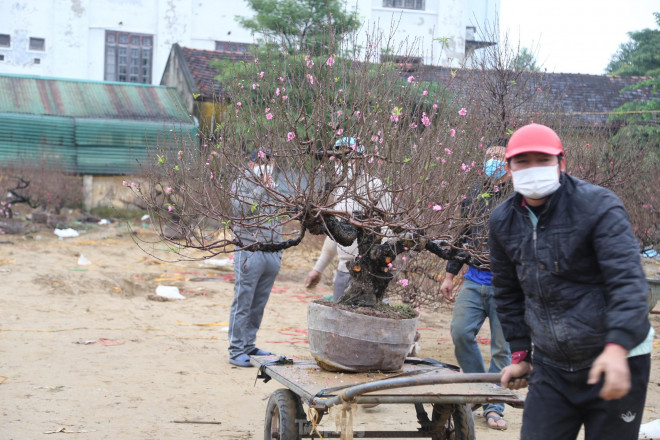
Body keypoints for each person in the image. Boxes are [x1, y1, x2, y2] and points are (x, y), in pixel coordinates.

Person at [489, 123, 652, 440]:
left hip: (615, 358)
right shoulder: (502, 220)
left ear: (562, 163)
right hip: (552, 365)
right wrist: (521, 354)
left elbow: (628, 283)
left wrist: (618, 347)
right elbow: (507, 292)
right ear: (508, 168)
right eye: (522, 161)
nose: (533, 168)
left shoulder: (599, 207)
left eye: (543, 160)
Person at [440, 143, 511, 430]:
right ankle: (479, 388)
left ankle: (494, 406)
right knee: (460, 333)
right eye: (489, 158)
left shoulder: (518, 196)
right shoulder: (475, 193)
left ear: (509, 164)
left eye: (499, 159)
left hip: (506, 286)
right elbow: (462, 235)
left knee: (502, 348)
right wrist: (449, 274)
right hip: (474, 279)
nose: (493, 163)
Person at [305, 137, 391, 303]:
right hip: (344, 271)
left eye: (349, 158)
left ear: (362, 160)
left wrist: (378, 263)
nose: (343, 163)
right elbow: (337, 236)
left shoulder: (375, 187)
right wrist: (318, 268)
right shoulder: (340, 191)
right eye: (338, 159)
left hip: (370, 274)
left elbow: (389, 231)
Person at [227, 148, 281, 367]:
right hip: (249, 251)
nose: (265, 164)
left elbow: (280, 218)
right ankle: (236, 349)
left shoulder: (277, 186)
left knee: (259, 304)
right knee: (243, 301)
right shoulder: (240, 184)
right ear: (250, 164)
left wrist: (279, 252)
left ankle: (249, 344)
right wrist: (262, 188)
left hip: (271, 251)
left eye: (268, 161)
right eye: (260, 161)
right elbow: (244, 209)